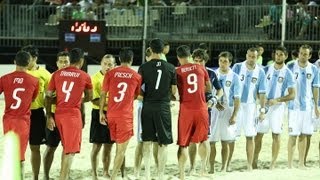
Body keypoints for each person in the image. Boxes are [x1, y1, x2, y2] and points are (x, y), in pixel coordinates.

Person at [45, 48, 93, 180]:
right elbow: (90, 97)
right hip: (72, 114)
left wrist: (49, 116)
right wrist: (78, 99)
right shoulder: (85, 76)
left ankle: (63, 175)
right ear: (82, 61)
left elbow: (48, 96)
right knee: (70, 150)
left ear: (70, 60)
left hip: (58, 113)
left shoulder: (56, 74)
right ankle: (63, 177)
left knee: (66, 148)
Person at [99, 47, 141, 180]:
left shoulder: (110, 73)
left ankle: (118, 175)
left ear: (119, 59)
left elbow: (103, 93)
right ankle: (114, 177)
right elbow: (135, 96)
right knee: (121, 150)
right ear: (132, 59)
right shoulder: (136, 76)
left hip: (111, 115)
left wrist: (101, 112)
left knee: (116, 146)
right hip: (125, 116)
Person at [138, 38, 177, 180]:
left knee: (147, 141)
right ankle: (160, 174)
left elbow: (138, 90)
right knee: (164, 143)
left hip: (148, 106)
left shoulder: (143, 67)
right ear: (163, 50)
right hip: (163, 107)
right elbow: (173, 91)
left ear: (151, 49)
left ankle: (147, 174)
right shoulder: (171, 67)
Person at [176, 45, 214, 180]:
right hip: (201, 108)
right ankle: (203, 170)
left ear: (178, 58)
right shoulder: (201, 68)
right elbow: (208, 88)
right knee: (204, 139)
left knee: (184, 143)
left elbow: (175, 93)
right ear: (190, 56)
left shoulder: (178, 71)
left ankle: (181, 174)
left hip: (186, 109)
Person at [253, 46, 296, 169]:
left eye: (281, 54)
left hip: (278, 108)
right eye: (277, 54)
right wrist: (261, 98)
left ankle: (272, 163)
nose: (278, 56)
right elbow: (256, 88)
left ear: (286, 56)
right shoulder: (266, 69)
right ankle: (254, 161)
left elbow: (292, 94)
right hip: (264, 106)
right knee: (258, 134)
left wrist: (277, 100)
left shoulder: (288, 73)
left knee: (276, 134)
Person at [0, 51, 39, 179]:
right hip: (23, 121)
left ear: (14, 62)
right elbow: (33, 99)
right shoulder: (34, 80)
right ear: (29, 64)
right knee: (20, 157)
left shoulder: (4, 78)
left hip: (8, 120)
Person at [232, 47, 267, 170]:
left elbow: (262, 93)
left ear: (257, 58)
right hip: (236, 105)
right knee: (231, 137)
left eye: (254, 57)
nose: (252, 59)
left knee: (250, 136)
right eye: (250, 56)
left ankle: (249, 165)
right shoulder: (237, 67)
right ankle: (227, 164)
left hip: (251, 107)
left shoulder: (260, 72)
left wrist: (262, 110)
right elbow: (230, 85)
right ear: (246, 55)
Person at [21, 45, 51, 180]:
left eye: (28, 58)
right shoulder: (20, 72)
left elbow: (49, 97)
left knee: (35, 147)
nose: (25, 61)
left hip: (37, 114)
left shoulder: (45, 74)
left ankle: (35, 177)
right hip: (20, 115)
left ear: (35, 58)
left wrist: (50, 116)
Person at [287, 44, 319, 169]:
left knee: (304, 135)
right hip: (293, 108)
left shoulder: (314, 70)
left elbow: (315, 88)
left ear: (310, 56)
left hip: (308, 107)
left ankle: (301, 163)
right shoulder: (290, 66)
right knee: (292, 135)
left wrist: (316, 106)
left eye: (305, 54)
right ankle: (289, 164)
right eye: (301, 53)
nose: (302, 56)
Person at [191, 48, 223, 174]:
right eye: (195, 61)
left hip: (205, 110)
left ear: (205, 61)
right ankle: (192, 167)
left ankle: (203, 167)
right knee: (192, 140)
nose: (198, 63)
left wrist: (214, 100)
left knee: (205, 139)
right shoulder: (189, 72)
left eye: (200, 61)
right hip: (191, 109)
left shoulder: (211, 73)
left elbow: (220, 90)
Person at [208, 51, 240, 173]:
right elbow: (208, 92)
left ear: (230, 63)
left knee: (225, 141)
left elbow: (237, 98)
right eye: (220, 61)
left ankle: (224, 166)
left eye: (225, 61)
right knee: (212, 141)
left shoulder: (234, 77)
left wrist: (235, 115)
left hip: (228, 110)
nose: (222, 64)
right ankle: (211, 167)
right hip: (214, 110)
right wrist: (215, 103)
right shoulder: (212, 74)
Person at [43, 51, 70, 180]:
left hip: (69, 116)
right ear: (57, 63)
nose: (64, 64)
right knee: (50, 147)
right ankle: (46, 175)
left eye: (66, 61)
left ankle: (64, 175)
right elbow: (46, 99)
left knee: (68, 148)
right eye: (61, 61)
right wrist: (49, 116)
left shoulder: (74, 77)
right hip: (54, 114)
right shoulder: (53, 76)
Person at [90, 54, 116, 179]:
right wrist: (112, 102)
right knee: (96, 146)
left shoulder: (116, 78)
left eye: (110, 64)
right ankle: (94, 173)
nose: (107, 66)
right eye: (105, 63)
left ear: (114, 65)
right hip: (98, 113)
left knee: (109, 146)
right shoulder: (95, 78)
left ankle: (106, 171)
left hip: (113, 114)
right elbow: (94, 100)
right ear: (101, 63)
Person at [133, 47, 155, 178]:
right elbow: (137, 94)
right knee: (141, 142)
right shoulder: (142, 70)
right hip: (144, 107)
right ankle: (136, 171)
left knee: (156, 142)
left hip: (155, 107)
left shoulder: (159, 69)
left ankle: (151, 171)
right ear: (147, 58)